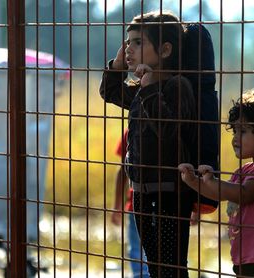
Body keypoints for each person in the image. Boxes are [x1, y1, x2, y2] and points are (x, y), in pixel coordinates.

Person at [100, 10, 201, 277]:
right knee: (156, 266)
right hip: (142, 193)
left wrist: (147, 87)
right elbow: (110, 92)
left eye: (137, 43)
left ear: (165, 49)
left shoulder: (178, 86)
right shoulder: (142, 88)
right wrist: (117, 67)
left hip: (169, 194)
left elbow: (168, 127)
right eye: (127, 42)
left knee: (171, 266)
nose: (128, 49)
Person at [178, 89, 254, 277]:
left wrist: (212, 180)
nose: (235, 138)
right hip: (247, 260)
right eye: (234, 130)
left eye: (242, 131)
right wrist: (194, 182)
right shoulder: (244, 171)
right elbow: (221, 194)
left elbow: (244, 194)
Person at [111, 129, 149, 278]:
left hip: (137, 203)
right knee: (168, 255)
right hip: (171, 204)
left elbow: (123, 171)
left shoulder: (134, 128)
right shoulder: (176, 124)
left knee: (137, 253)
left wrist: (117, 206)